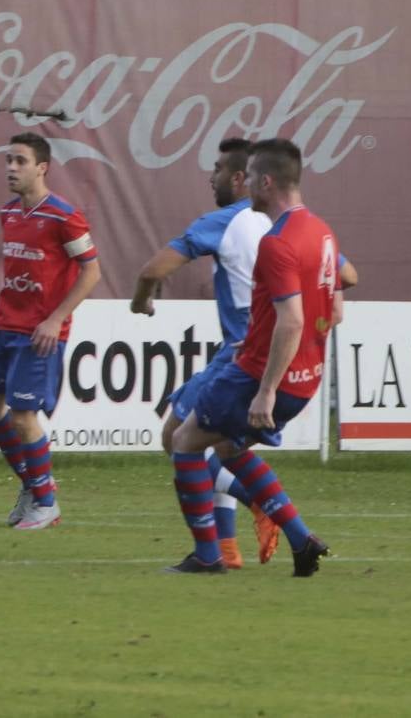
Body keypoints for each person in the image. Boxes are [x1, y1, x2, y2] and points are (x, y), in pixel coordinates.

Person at [165, 139, 346, 576]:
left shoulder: (276, 242)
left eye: (251, 179)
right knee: (228, 446)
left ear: (266, 182)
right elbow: (334, 310)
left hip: (258, 375)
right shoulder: (322, 231)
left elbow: (292, 321)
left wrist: (265, 390)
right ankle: (301, 540)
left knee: (183, 443)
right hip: (305, 379)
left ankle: (209, 555)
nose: (245, 188)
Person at [132, 138, 277, 567]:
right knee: (217, 443)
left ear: (238, 178)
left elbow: (153, 269)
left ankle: (254, 505)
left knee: (178, 439)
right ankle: (226, 549)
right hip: (277, 352)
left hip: (240, 353)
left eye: (215, 170)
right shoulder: (287, 224)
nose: (210, 178)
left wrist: (142, 299)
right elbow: (344, 274)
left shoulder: (226, 221)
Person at [0, 132, 102, 531]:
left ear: (42, 168)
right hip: (5, 326)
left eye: (20, 161)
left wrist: (56, 318)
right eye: (8, 160)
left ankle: (46, 504)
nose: (11, 168)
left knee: (24, 417)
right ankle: (34, 485)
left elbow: (92, 270)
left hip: (40, 334)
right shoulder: (8, 213)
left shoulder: (64, 215)